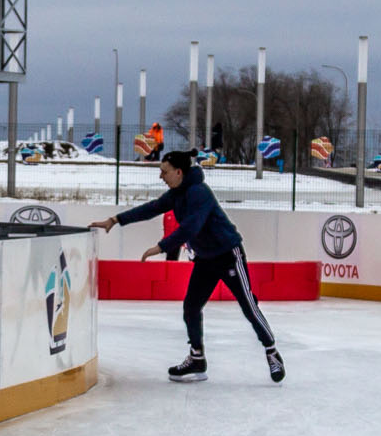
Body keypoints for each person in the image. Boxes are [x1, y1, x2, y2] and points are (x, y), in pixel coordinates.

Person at [90, 148, 283, 383]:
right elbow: (151, 208)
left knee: (248, 306)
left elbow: (191, 227)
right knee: (191, 307)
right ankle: (197, 358)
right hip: (205, 259)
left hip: (228, 255)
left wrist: (161, 247)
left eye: (164, 172)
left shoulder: (198, 193)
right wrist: (115, 220)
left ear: (179, 172)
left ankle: (271, 351)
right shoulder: (176, 193)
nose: (161, 176)